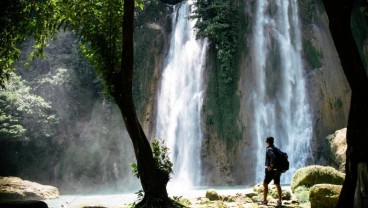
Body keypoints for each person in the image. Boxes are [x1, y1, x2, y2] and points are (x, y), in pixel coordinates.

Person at [260, 136, 282, 206]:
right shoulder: (276, 149)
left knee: (265, 184)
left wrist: (270, 166)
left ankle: (264, 200)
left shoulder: (269, 149)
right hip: (278, 169)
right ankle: (280, 200)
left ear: (267, 142)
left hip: (272, 170)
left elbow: (272, 156)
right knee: (277, 184)